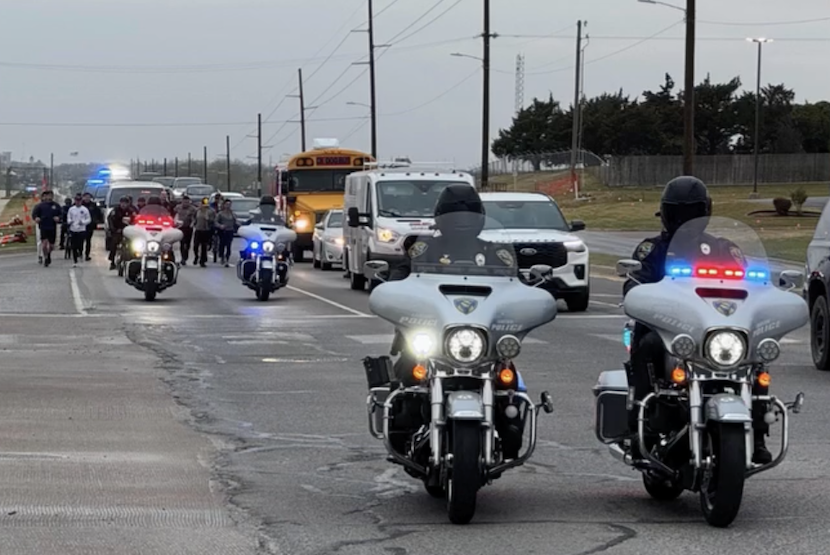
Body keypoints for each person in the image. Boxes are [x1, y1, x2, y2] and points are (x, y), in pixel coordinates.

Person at [623, 176, 772, 464]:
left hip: (716, 330)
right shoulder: (652, 250)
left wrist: (764, 294)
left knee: (758, 355)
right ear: (666, 213)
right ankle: (641, 426)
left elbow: (753, 288)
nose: (685, 220)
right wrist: (635, 288)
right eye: (679, 213)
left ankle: (758, 433)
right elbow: (634, 281)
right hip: (668, 332)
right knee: (647, 346)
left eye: (692, 213)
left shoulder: (724, 249)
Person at [31, 190, 63, 267]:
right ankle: (45, 257)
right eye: (47, 195)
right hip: (43, 226)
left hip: (52, 227)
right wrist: (36, 218)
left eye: (50, 195)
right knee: (44, 244)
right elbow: (34, 214)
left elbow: (61, 214)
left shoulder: (56, 206)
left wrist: (58, 218)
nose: (49, 197)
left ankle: (48, 254)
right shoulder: (39, 206)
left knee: (51, 246)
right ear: (44, 197)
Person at [107, 196, 134, 270]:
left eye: (125, 203)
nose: (123, 205)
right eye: (122, 203)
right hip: (117, 230)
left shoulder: (131, 211)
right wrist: (113, 229)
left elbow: (135, 220)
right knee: (114, 243)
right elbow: (110, 220)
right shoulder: (115, 210)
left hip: (129, 232)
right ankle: (112, 261)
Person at [66, 194, 91, 267]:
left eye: (79, 200)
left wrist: (83, 222)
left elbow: (89, 219)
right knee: (73, 245)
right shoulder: (71, 209)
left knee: (80, 244)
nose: (78, 202)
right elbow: (68, 218)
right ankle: (75, 260)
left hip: (81, 229)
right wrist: (70, 221)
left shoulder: (85, 209)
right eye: (77, 200)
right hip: (73, 229)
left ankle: (80, 253)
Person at [174, 195, 197, 266]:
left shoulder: (193, 209)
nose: (185, 204)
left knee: (187, 243)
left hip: (188, 228)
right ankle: (183, 258)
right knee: (182, 243)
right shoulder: (178, 207)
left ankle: (186, 255)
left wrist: (193, 223)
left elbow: (195, 218)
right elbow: (174, 215)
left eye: (187, 202)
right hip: (180, 228)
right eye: (184, 202)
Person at [193, 197, 216, 267]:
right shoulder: (197, 210)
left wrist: (208, 219)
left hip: (206, 230)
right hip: (198, 229)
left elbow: (213, 221)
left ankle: (202, 261)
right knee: (195, 246)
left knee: (204, 246)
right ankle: (196, 256)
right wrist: (193, 223)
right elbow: (194, 218)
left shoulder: (211, 211)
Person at [215, 198, 238, 267]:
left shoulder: (233, 214)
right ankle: (221, 256)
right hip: (223, 231)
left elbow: (236, 222)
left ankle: (227, 258)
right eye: (227, 204)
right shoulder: (220, 214)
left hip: (230, 231)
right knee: (222, 244)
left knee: (228, 245)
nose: (228, 206)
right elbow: (215, 222)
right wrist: (220, 226)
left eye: (229, 204)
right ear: (224, 205)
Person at [81, 192, 102, 261]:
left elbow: (98, 213)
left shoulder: (93, 205)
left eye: (88, 197)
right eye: (86, 197)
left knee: (88, 240)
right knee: (80, 240)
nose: (87, 198)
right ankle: (80, 252)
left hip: (90, 225)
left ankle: (87, 254)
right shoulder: (80, 204)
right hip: (80, 225)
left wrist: (97, 220)